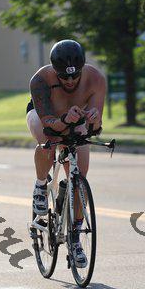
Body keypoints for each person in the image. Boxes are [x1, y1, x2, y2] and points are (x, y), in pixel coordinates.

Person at [26, 39, 106, 267]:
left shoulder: (96, 79)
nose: (70, 81)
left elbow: (96, 128)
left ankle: (75, 237)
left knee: (80, 176)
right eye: (64, 77)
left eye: (75, 76)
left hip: (74, 118)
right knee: (49, 142)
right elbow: (50, 125)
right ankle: (41, 185)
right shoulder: (41, 80)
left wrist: (94, 120)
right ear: (54, 71)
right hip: (47, 118)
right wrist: (65, 120)